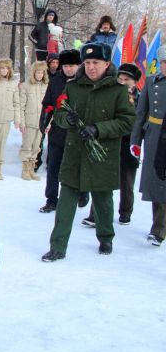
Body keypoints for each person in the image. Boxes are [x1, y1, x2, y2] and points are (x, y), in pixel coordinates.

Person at [41, 42, 136, 262]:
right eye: (88, 62)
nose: (91, 67)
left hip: (102, 154)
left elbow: (127, 122)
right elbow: (60, 114)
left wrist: (98, 129)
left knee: (103, 200)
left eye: (96, 63)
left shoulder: (119, 90)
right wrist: (67, 119)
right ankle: (58, 246)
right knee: (66, 201)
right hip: (75, 154)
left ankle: (105, 238)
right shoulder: (73, 87)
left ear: (107, 64)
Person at [81, 63, 141, 227]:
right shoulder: (110, 94)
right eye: (119, 78)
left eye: (126, 80)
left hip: (128, 144)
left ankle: (125, 212)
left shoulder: (141, 98)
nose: (121, 82)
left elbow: (138, 121)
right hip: (108, 141)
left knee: (126, 182)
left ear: (134, 82)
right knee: (102, 179)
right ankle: (95, 214)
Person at [38, 50, 86, 213]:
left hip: (79, 132)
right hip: (58, 132)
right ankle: (51, 199)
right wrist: (44, 121)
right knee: (53, 167)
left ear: (79, 66)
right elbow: (48, 103)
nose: (68, 69)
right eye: (65, 66)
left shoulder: (86, 82)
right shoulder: (56, 81)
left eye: (71, 66)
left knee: (78, 166)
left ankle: (82, 192)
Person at [129, 46, 166, 247]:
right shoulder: (152, 81)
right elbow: (141, 113)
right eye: (165, 62)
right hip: (154, 136)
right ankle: (158, 227)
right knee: (156, 183)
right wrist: (136, 140)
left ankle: (159, 229)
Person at [19, 61, 49, 180]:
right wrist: (22, 122)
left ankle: (32, 168)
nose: (40, 75)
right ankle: (25, 169)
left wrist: (48, 123)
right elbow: (21, 106)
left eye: (42, 73)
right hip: (29, 121)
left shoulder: (47, 87)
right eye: (38, 73)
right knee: (27, 146)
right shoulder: (25, 86)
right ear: (34, 73)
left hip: (41, 122)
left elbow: (50, 107)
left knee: (37, 146)